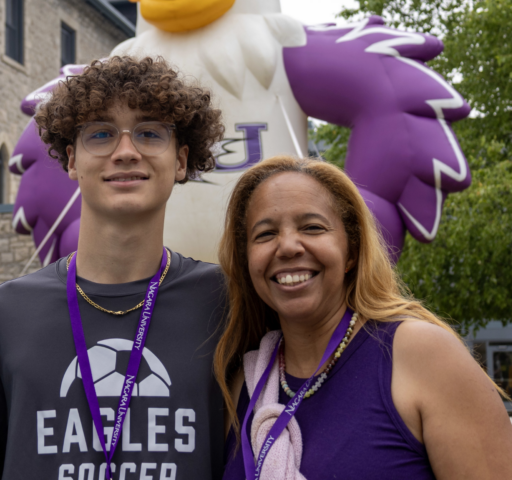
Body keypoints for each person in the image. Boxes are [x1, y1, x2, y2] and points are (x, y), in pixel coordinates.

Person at [0, 56, 228, 480]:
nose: (125, 151)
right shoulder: (6, 313)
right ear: (71, 160)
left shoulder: (226, 302)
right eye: (100, 134)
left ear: (180, 160)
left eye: (150, 133)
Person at [215, 155, 512, 479]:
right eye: (265, 234)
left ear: (352, 251)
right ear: (248, 260)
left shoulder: (422, 354)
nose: (287, 247)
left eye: (312, 227)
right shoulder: (245, 384)